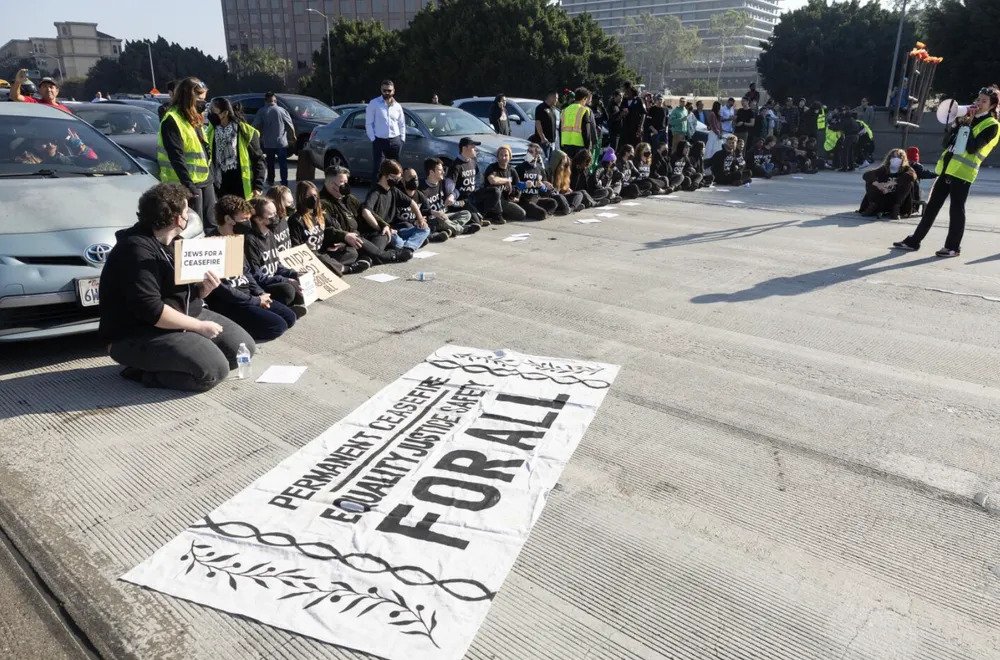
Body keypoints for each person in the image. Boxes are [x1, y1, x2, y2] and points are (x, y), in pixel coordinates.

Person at [98, 183, 256, 391]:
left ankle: (180, 356)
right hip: (139, 333)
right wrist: (198, 327)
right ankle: (142, 372)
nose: (189, 215)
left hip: (183, 314)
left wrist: (204, 290)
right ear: (177, 219)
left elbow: (185, 292)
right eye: (186, 210)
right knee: (213, 372)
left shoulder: (174, 242)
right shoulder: (135, 251)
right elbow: (150, 310)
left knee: (242, 350)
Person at [893, 87, 1000, 257]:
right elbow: (946, 144)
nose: (979, 103)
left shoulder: (992, 125)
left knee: (956, 209)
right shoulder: (966, 119)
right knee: (931, 207)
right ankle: (914, 241)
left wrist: (968, 125)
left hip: (963, 173)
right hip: (947, 169)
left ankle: (953, 247)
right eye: (978, 99)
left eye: (984, 101)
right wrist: (956, 124)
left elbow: (972, 148)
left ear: (992, 105)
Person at [207, 195, 297, 341]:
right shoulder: (210, 244)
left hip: (248, 295)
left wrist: (260, 293)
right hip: (232, 303)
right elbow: (223, 289)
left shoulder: (235, 239)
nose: (248, 223)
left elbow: (247, 272)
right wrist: (255, 301)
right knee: (277, 327)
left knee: (290, 317)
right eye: (244, 219)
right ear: (228, 219)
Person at [157, 77, 216, 234]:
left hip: (204, 180)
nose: (203, 103)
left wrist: (212, 175)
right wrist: (188, 185)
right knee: (193, 228)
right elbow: (176, 156)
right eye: (200, 99)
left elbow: (203, 149)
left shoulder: (193, 117)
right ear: (188, 97)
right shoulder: (172, 120)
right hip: (185, 184)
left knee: (211, 224)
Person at [320, 166, 405, 271]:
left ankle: (367, 258)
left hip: (359, 237)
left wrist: (384, 225)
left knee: (382, 234)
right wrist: (344, 236)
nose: (345, 185)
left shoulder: (348, 198)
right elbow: (329, 229)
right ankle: (386, 256)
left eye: (346, 182)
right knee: (352, 251)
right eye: (342, 182)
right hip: (343, 241)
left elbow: (365, 209)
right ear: (332, 184)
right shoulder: (323, 203)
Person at [243, 196, 306, 313]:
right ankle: (280, 309)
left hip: (273, 279)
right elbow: (257, 276)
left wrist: (294, 274)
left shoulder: (270, 233)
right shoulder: (250, 240)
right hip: (262, 285)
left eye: (275, 213)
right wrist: (286, 280)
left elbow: (276, 265)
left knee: (301, 286)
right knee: (288, 290)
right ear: (258, 219)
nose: (276, 217)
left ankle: (287, 306)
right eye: (271, 215)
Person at [207, 97, 265, 200]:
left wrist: (258, 185)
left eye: (213, 111)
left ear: (225, 113)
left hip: (241, 184)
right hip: (219, 184)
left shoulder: (246, 131)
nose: (210, 114)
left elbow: (258, 160)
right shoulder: (210, 131)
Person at [287, 180, 348, 276]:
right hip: (310, 256)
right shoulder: (296, 219)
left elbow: (337, 229)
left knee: (351, 252)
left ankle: (334, 266)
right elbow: (296, 246)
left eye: (315, 195)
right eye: (308, 196)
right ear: (301, 197)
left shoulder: (321, 214)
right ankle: (344, 268)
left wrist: (341, 243)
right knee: (320, 258)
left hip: (325, 252)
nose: (313, 199)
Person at [447, 137, 504, 225]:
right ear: (464, 148)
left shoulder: (473, 161)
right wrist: (452, 197)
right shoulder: (456, 166)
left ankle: (480, 215)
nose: (476, 149)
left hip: (473, 195)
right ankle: (476, 218)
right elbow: (449, 188)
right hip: (462, 199)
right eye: (473, 147)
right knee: (476, 222)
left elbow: (478, 178)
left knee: (495, 192)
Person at [419, 157, 478, 236]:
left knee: (466, 213)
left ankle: (449, 228)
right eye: (440, 170)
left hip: (446, 215)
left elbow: (457, 190)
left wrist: (452, 196)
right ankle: (462, 229)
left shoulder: (443, 183)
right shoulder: (421, 189)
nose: (443, 172)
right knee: (441, 220)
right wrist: (435, 213)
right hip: (433, 219)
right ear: (431, 172)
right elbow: (420, 210)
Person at [858, 148, 917, 220]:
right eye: (893, 157)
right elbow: (867, 175)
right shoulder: (884, 168)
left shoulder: (907, 169)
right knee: (870, 181)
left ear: (903, 159)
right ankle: (873, 206)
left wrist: (891, 183)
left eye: (898, 157)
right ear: (889, 158)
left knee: (908, 183)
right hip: (882, 197)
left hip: (897, 199)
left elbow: (912, 176)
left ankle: (896, 210)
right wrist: (878, 185)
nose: (895, 159)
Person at [366, 80, 406, 182]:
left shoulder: (397, 106)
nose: (387, 93)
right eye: (384, 90)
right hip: (379, 141)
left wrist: (402, 139)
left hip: (395, 141)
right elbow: (369, 123)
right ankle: (376, 190)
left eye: (389, 90)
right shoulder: (374, 104)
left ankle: (394, 189)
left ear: (393, 91)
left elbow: (402, 124)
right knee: (379, 168)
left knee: (395, 169)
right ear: (381, 90)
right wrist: (373, 139)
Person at [252, 92, 295, 188]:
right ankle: (284, 183)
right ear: (275, 100)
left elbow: (255, 125)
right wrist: (293, 136)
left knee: (270, 164)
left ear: (265, 100)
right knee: (283, 164)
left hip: (268, 143)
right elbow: (290, 124)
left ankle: (271, 181)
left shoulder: (262, 111)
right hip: (281, 143)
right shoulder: (282, 110)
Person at [484, 146, 529, 222]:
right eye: (501, 155)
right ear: (497, 156)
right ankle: (496, 214)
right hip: (494, 199)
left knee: (521, 214)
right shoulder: (492, 167)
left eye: (506, 155)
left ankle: (500, 213)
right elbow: (492, 180)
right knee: (496, 191)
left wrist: (517, 197)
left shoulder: (511, 170)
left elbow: (518, 185)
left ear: (510, 157)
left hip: (506, 199)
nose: (503, 157)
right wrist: (507, 180)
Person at [515, 143, 559, 219]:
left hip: (536, 198)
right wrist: (524, 184)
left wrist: (542, 186)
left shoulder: (540, 168)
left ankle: (541, 213)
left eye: (531, 152)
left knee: (553, 203)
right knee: (542, 213)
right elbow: (515, 184)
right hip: (524, 200)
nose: (528, 153)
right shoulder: (520, 167)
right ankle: (541, 213)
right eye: (528, 151)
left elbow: (545, 189)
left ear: (537, 155)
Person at [560, 87, 597, 161]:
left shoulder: (564, 110)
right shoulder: (584, 110)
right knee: (579, 167)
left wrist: (561, 146)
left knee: (568, 166)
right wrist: (587, 148)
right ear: (584, 98)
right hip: (580, 146)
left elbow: (560, 129)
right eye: (586, 99)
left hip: (566, 145)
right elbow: (586, 131)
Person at [264, 185, 294, 251]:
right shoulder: (268, 225)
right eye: (289, 203)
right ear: (277, 204)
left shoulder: (282, 218)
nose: (292, 206)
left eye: (292, 202)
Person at [533, 91, 559, 160]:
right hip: (543, 142)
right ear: (551, 97)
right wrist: (542, 138)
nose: (557, 100)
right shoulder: (540, 108)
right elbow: (538, 123)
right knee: (545, 161)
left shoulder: (553, 109)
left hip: (552, 142)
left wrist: (555, 137)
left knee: (551, 161)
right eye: (556, 98)